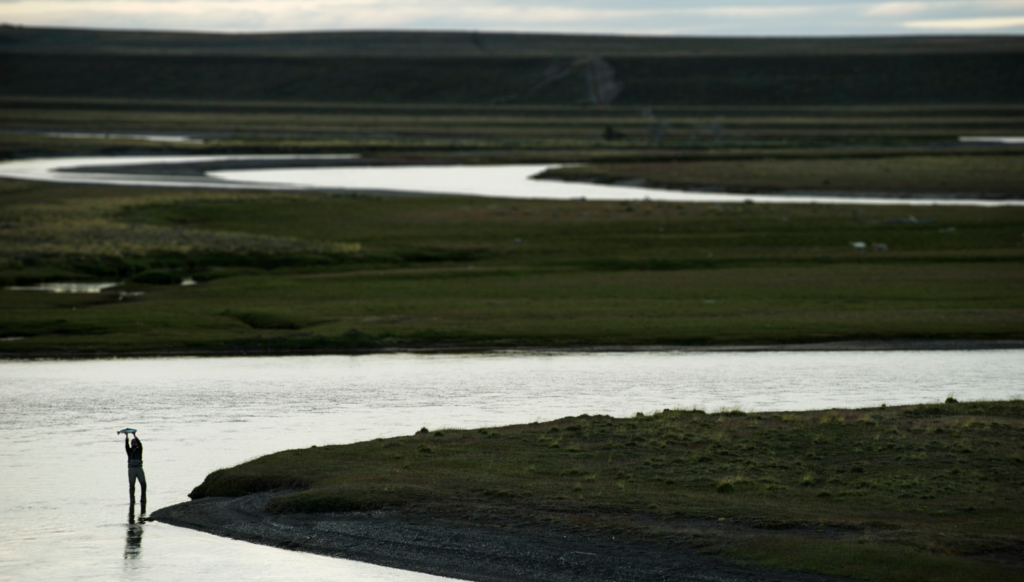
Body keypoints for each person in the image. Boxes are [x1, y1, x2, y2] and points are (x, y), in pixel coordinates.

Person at [125, 433, 147, 504]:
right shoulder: (129, 451)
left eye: (135, 443)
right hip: (131, 469)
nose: (134, 444)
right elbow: (126, 446)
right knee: (132, 485)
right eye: (133, 443)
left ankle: (143, 500)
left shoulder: (139, 450)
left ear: (137, 444)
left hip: (139, 468)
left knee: (143, 484)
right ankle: (132, 501)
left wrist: (135, 436)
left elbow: (140, 445)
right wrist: (127, 437)